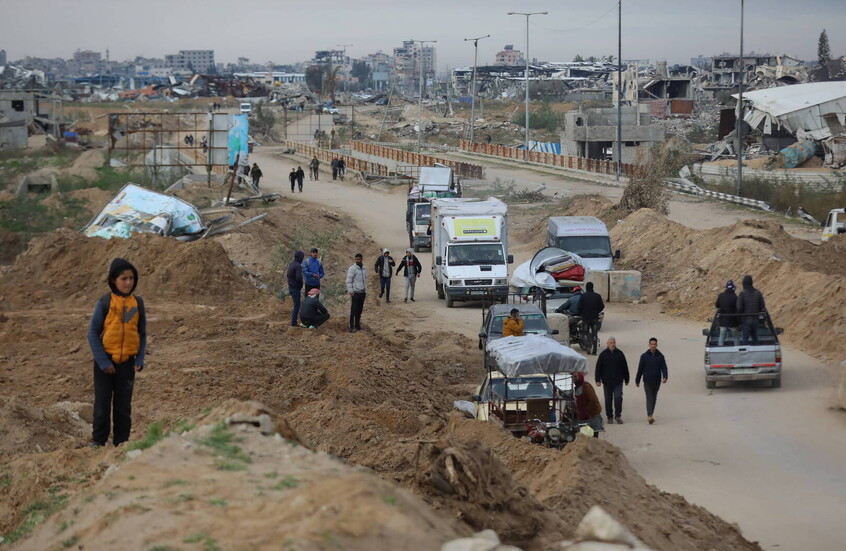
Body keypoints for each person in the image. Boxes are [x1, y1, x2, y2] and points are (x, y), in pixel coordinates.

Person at [87, 258, 146, 447]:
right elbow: (92, 334)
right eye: (123, 278)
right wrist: (104, 362)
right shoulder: (105, 303)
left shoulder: (137, 303)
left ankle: (121, 443)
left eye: (131, 278)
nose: (128, 282)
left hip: (127, 363)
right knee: (102, 406)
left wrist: (140, 357)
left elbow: (142, 333)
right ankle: (98, 441)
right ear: (114, 280)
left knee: (123, 407)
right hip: (105, 364)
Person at [595, 337, 629, 424]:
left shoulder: (620, 354)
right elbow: (598, 368)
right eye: (611, 343)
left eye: (614, 342)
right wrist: (597, 379)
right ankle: (609, 417)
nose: (612, 344)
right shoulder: (603, 354)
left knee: (618, 398)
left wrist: (627, 378)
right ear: (607, 343)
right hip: (607, 382)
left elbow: (625, 367)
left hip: (618, 381)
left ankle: (618, 416)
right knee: (608, 399)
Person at [635, 337, 668, 425]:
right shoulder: (644, 356)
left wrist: (665, 377)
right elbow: (640, 369)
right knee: (649, 397)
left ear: (657, 345)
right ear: (649, 345)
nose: (653, 346)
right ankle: (650, 415)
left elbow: (664, 368)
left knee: (654, 398)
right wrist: (637, 380)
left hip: (657, 381)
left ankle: (651, 413)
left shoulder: (660, 356)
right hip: (647, 381)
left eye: (654, 344)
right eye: (651, 344)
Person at [736, 274, 766, 345]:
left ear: (743, 283)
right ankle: (757, 351)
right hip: (755, 318)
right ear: (751, 282)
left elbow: (739, 307)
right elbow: (762, 305)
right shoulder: (758, 292)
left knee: (745, 338)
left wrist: (739, 320)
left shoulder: (742, 293)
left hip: (746, 319)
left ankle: (745, 354)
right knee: (755, 337)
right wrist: (757, 310)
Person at [578, 281, 605, 355]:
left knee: (585, 333)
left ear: (586, 288)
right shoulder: (597, 296)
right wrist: (596, 311)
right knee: (594, 334)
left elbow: (579, 307)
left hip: (585, 318)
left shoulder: (583, 296)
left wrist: (582, 313)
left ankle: (587, 347)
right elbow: (602, 307)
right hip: (594, 318)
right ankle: (594, 351)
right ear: (592, 287)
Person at [346, 253, 368, 333]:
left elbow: (365, 279)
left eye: (358, 259)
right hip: (355, 293)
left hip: (362, 292)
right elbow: (348, 280)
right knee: (354, 310)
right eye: (355, 259)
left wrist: (365, 290)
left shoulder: (364, 268)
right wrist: (351, 291)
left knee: (359, 310)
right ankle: (351, 326)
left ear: (361, 259)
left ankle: (357, 325)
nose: (357, 261)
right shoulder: (352, 268)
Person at [715, 279, 739, 346]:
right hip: (732, 322)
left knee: (721, 337)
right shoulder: (735, 297)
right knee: (736, 337)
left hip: (723, 321)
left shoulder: (721, 295)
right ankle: (737, 352)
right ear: (733, 288)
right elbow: (738, 308)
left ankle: (720, 350)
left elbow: (717, 305)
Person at [286, 250, 305, 328]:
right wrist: (301, 284)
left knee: (296, 304)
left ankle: (294, 321)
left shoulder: (291, 264)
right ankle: (293, 323)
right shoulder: (298, 266)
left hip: (291, 287)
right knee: (297, 305)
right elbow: (298, 277)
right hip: (295, 288)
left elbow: (288, 275)